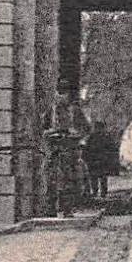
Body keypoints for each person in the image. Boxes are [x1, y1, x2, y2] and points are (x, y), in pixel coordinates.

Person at [42, 82, 90, 217]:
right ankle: (50, 210)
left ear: (68, 95)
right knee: (51, 180)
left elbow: (86, 128)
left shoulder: (75, 111)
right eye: (58, 93)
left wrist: (75, 134)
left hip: (70, 151)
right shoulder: (50, 111)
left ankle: (67, 210)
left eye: (64, 93)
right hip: (53, 150)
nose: (60, 96)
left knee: (69, 181)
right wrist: (51, 133)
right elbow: (42, 130)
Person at [83, 120, 119, 198]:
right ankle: (97, 192)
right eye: (97, 128)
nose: (98, 130)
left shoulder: (104, 137)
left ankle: (102, 193)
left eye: (99, 128)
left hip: (101, 160)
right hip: (96, 160)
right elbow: (86, 149)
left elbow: (112, 149)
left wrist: (110, 159)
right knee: (95, 177)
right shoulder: (92, 137)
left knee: (101, 177)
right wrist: (86, 159)